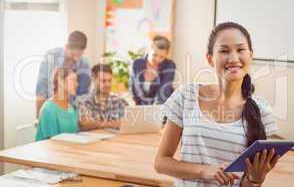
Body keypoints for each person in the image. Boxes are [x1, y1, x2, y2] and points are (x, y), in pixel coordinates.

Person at [155, 22, 279, 187]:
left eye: (240, 50)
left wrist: (255, 179)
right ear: (210, 59)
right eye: (224, 51)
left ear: (251, 55)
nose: (234, 58)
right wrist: (203, 170)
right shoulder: (187, 96)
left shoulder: (262, 111)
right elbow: (161, 162)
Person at [36, 30, 91, 118]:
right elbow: (41, 90)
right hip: (50, 109)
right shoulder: (52, 56)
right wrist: (38, 119)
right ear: (66, 47)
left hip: (71, 111)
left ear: (83, 51)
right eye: (72, 55)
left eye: (78, 56)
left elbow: (82, 97)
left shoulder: (85, 65)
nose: (75, 60)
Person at [78, 64, 128, 131]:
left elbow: (130, 121)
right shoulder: (84, 101)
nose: (108, 84)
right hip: (94, 140)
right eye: (103, 81)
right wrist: (112, 124)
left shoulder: (119, 101)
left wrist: (99, 124)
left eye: (109, 80)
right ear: (93, 80)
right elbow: (85, 124)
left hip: (117, 139)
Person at [35, 67, 79, 141]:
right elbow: (52, 142)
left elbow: (75, 135)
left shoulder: (71, 106)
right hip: (52, 150)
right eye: (73, 80)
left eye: (76, 80)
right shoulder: (49, 109)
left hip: (69, 149)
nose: (77, 84)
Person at [130, 35, 176, 105]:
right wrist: (138, 108)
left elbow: (164, 91)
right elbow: (133, 88)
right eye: (154, 55)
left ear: (166, 55)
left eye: (162, 57)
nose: (157, 59)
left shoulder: (169, 66)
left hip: (161, 107)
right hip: (140, 108)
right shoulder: (136, 64)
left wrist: (154, 111)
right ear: (149, 50)